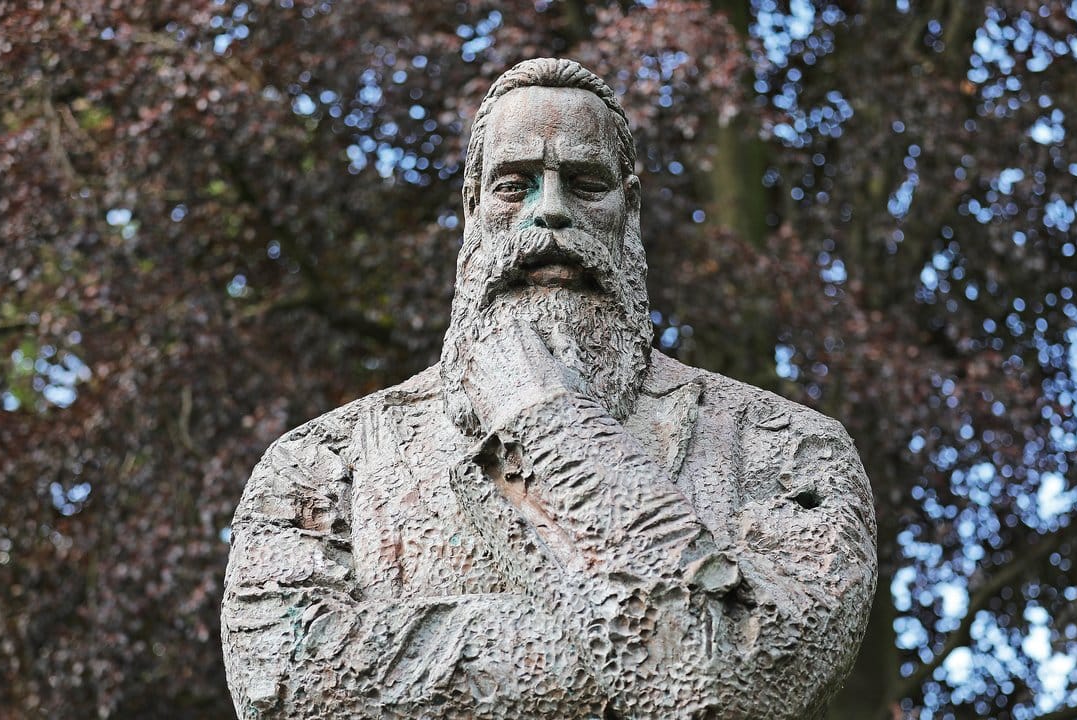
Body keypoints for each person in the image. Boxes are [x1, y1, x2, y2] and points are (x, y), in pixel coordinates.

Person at [222, 57, 876, 720]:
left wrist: (540, 415)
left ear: (631, 207)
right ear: (473, 208)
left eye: (586, 183)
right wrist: (673, 635)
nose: (552, 211)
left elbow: (745, 683)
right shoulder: (323, 462)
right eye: (515, 184)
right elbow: (284, 687)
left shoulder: (785, 449)